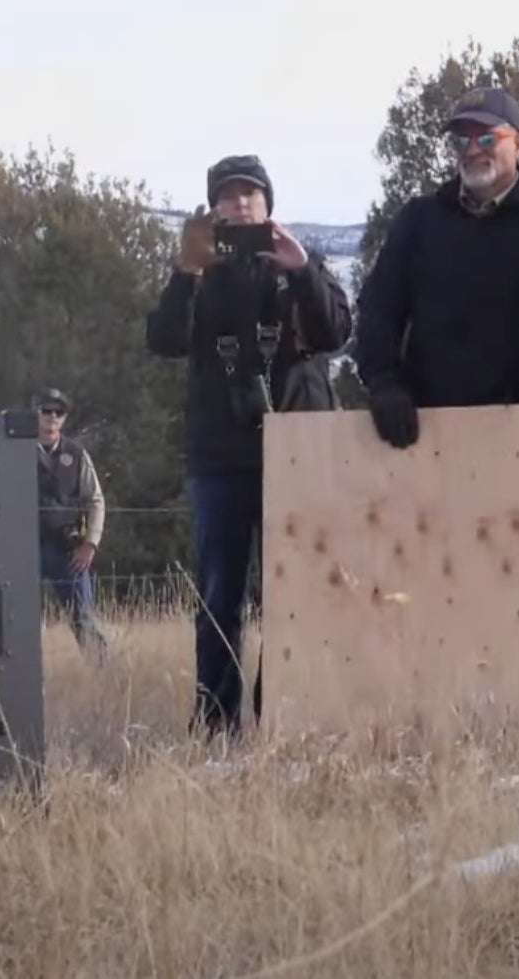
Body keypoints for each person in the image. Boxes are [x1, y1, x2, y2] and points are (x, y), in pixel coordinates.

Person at [145, 154, 354, 736]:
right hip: (221, 457)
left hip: (297, 451)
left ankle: (282, 714)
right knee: (219, 596)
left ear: (269, 204)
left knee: (294, 590)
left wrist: (303, 269)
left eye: (250, 194)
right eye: (228, 195)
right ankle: (215, 723)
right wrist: (185, 273)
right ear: (213, 207)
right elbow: (163, 340)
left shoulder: (295, 260)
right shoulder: (200, 271)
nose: (240, 204)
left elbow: (336, 333)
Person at [353, 86, 519, 449]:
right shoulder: (418, 222)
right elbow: (378, 310)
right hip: (426, 435)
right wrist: (384, 383)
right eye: (461, 142)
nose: (473, 150)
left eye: (488, 137)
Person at [32, 388, 109, 664]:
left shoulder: (77, 454)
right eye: (46, 410)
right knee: (21, 624)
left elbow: (96, 500)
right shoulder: (15, 450)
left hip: (68, 552)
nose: (52, 416)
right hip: (27, 550)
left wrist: (90, 543)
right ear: (36, 413)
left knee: (84, 620)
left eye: (59, 412)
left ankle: (107, 680)